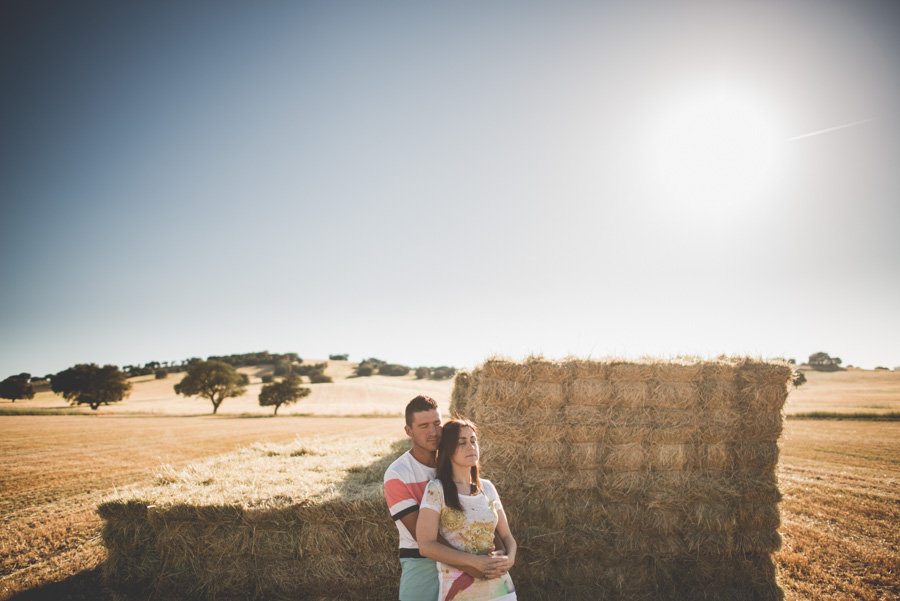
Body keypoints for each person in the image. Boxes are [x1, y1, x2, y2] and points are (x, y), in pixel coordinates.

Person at [417, 419, 517, 601]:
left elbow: (507, 537)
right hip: (460, 593)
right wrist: (474, 561)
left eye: (473, 440)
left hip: (501, 590)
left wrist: (510, 559)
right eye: (461, 442)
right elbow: (426, 545)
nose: (470, 446)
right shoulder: (436, 489)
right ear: (447, 450)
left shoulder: (487, 488)